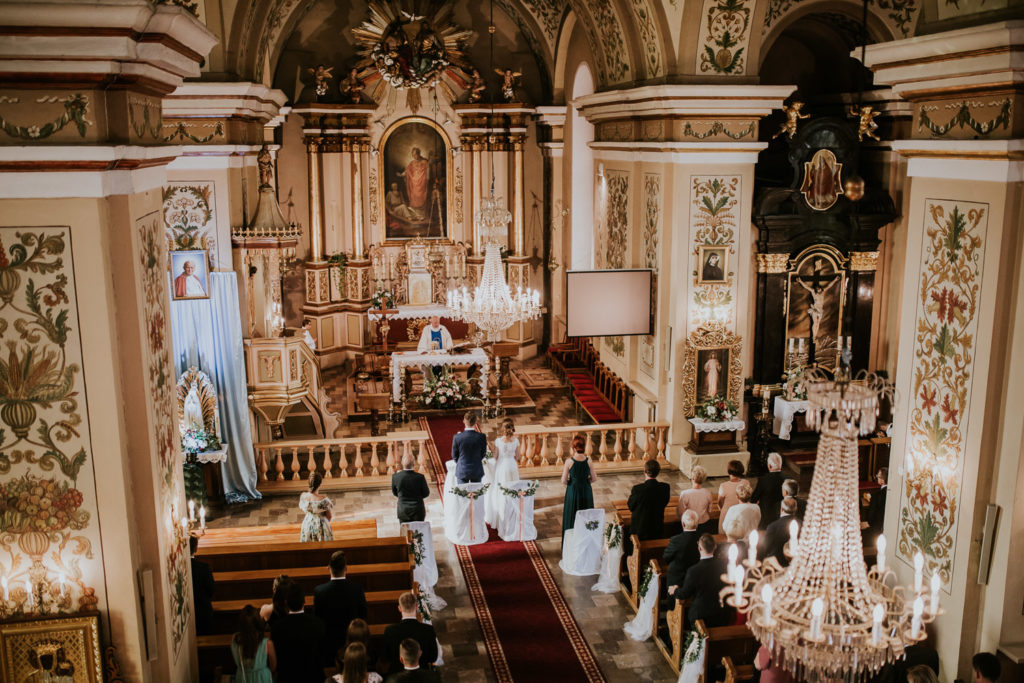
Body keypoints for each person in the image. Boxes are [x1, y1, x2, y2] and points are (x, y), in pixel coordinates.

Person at [314, 551, 369, 665]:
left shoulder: (319, 591)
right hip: (353, 644)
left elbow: (317, 620)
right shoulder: (357, 589)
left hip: (329, 645)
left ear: (328, 568)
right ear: (346, 568)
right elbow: (363, 616)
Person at [270, 582, 327, 682]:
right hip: (314, 677)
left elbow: (277, 660)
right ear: (304, 602)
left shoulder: (277, 628)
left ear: (286, 603)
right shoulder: (318, 624)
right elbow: (322, 654)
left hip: (287, 678)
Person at [678, 534, 731, 629]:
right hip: (722, 613)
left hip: (701, 616)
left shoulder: (693, 571)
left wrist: (675, 590)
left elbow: (684, 594)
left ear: (699, 548)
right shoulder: (725, 565)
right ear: (715, 547)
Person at [384, 592, 438, 672]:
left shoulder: (390, 630)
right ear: (416, 607)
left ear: (399, 608)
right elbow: (433, 657)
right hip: (422, 675)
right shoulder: (428, 630)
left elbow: (386, 657)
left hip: (398, 675)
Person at [485, 418, 521, 528]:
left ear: (503, 429)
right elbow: (518, 456)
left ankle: (502, 514)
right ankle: (513, 514)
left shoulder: (498, 441)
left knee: (501, 491)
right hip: (512, 466)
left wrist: (490, 450)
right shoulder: (516, 441)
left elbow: (495, 457)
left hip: (501, 467)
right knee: (513, 489)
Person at [560, 434, 596, 542]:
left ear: (573, 447)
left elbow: (563, 480)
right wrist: (585, 482)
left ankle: (570, 544)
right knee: (586, 517)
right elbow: (594, 478)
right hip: (586, 491)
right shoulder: (589, 461)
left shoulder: (569, 462)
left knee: (572, 515)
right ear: (584, 446)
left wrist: (572, 482)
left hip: (573, 491)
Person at [627, 459, 671, 541]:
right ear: (658, 472)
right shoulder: (665, 488)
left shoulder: (638, 489)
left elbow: (631, 506)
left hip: (639, 532)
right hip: (657, 529)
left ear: (645, 471)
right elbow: (665, 502)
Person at [230, 605, 276, 683]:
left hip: (243, 677)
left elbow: (236, 659)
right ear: (258, 622)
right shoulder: (267, 643)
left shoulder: (235, 639)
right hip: (262, 678)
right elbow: (273, 666)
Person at [663, 510, 700, 600]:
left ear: (683, 524)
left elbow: (666, 557)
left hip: (677, 580)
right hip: (696, 579)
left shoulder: (676, 540)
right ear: (697, 524)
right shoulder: (702, 539)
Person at [759, 497, 799, 566]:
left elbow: (765, 548)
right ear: (796, 509)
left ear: (781, 509)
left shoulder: (773, 527)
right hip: (797, 563)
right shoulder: (802, 524)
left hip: (776, 564)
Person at [751, 452, 786, 528]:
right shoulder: (788, 479)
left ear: (769, 466)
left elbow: (753, 499)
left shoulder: (763, 480)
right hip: (783, 518)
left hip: (766, 519)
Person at [392, 454, 430, 523]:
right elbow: (426, 493)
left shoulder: (396, 477)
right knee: (418, 532)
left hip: (403, 510)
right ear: (414, 464)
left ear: (402, 464)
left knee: (405, 532)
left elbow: (395, 492)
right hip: (417, 510)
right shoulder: (420, 477)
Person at [451, 410, 487, 484]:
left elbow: (454, 455)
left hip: (462, 469)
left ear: (464, 421)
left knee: (462, 494)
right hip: (476, 469)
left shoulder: (457, 437)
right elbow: (483, 453)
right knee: (476, 494)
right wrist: (476, 460)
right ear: (475, 421)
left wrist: (461, 462)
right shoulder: (481, 437)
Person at [189, 535, 215, 636]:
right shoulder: (203, 568)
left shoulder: (181, 569)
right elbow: (211, 590)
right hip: (203, 612)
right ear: (195, 548)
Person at [677, 466, 714, 535]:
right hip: (704, 523)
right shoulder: (708, 492)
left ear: (692, 478)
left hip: (690, 525)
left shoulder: (685, 494)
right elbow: (710, 510)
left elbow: (680, 512)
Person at [300, 472, 334, 542]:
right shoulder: (324, 500)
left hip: (307, 524)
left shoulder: (303, 496)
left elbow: (305, 510)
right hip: (321, 525)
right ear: (320, 484)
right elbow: (329, 516)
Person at [716, 460, 749, 528]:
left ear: (729, 471)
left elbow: (719, 501)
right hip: (741, 512)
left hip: (727, 513)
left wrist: (722, 508)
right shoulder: (746, 483)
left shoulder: (723, 486)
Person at [399, 147, 429, 212]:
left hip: (422, 181)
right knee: (414, 194)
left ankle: (422, 210)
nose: (414, 156)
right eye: (413, 155)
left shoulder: (424, 162)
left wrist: (427, 178)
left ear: (419, 154)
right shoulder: (412, 163)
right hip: (413, 182)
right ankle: (414, 210)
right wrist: (402, 174)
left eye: (415, 154)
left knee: (421, 195)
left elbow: (428, 171)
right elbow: (407, 171)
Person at [864, 467, 887, 544]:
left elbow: (870, 518)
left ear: (882, 480)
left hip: (875, 531)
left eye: (878, 476)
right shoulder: (893, 493)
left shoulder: (876, 496)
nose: (877, 477)